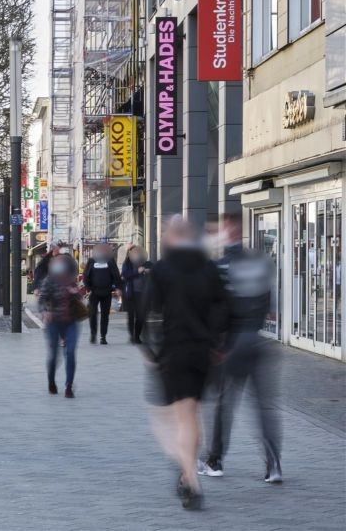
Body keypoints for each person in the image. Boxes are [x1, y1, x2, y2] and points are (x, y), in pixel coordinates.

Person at [141, 216, 228, 509]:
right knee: (191, 413)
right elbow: (224, 308)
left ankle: (189, 477)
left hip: (173, 350)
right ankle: (188, 473)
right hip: (203, 352)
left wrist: (149, 349)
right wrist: (217, 343)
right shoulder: (209, 267)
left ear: (171, 236)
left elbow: (147, 311)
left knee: (166, 417)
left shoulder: (163, 269)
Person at [199, 214, 282, 482]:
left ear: (227, 231)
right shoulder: (261, 262)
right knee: (264, 406)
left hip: (230, 344)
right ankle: (274, 464)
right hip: (257, 341)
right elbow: (269, 303)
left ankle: (216, 459)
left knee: (224, 404)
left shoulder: (219, 267)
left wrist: (214, 344)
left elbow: (215, 309)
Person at [38, 254, 83, 398]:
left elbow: (80, 298)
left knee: (70, 352)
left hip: (71, 321)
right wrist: (45, 312)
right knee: (54, 355)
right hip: (54, 322)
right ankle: (51, 381)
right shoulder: (49, 280)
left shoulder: (70, 279)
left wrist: (75, 293)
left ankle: (69, 386)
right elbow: (42, 299)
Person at [83, 244, 122, 344]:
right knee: (92, 314)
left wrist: (118, 288)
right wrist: (89, 288)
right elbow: (86, 276)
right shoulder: (92, 261)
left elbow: (116, 275)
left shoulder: (110, 261)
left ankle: (103, 336)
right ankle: (93, 334)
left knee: (105, 315)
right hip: (94, 292)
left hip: (107, 292)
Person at [121, 245, 152, 344]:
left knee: (141, 315)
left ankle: (137, 335)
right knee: (131, 315)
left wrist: (149, 271)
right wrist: (137, 272)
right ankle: (132, 335)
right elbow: (125, 274)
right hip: (131, 293)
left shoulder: (147, 263)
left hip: (143, 293)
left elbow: (155, 271)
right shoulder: (127, 263)